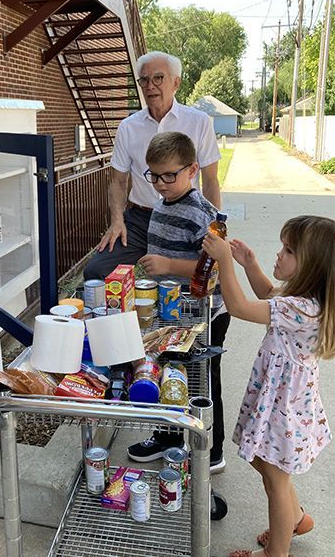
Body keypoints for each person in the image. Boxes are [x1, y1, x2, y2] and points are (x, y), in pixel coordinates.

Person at [202, 215, 334, 557]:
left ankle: (276, 553)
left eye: (288, 250)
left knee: (275, 479)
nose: (280, 254)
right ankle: (297, 519)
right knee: (267, 464)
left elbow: (240, 307)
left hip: (282, 404)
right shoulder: (302, 300)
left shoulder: (301, 309)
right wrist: (250, 264)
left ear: (312, 267)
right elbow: (268, 294)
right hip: (282, 399)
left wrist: (225, 262)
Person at [125, 131, 230, 474]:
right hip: (174, 310)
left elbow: (214, 267)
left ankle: (210, 450)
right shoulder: (163, 202)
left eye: (169, 175)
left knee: (202, 382)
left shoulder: (202, 213)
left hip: (204, 313)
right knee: (170, 373)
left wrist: (168, 265)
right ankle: (168, 439)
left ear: (193, 170)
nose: (160, 183)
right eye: (153, 175)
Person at [83, 51, 221, 281]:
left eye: (158, 78)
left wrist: (215, 226)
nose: (150, 86)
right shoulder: (128, 127)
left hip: (184, 219)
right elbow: (117, 181)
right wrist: (117, 221)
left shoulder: (199, 122)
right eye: (144, 80)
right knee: (95, 271)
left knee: (199, 275)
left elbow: (210, 179)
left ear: (176, 82)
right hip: (139, 220)